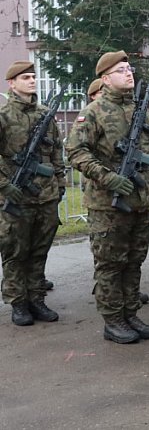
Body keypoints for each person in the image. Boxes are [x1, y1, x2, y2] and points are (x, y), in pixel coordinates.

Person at [66, 51, 149, 344]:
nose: (128, 73)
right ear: (105, 79)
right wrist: (108, 178)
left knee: (134, 262)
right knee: (110, 264)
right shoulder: (94, 111)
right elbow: (76, 152)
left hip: (140, 201)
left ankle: (131, 313)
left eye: (129, 69)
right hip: (108, 205)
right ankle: (113, 319)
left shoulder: (141, 110)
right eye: (121, 70)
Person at [0, 61, 65, 326]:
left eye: (33, 77)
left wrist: (60, 182)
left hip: (45, 195)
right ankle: (18, 303)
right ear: (11, 83)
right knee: (15, 252)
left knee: (40, 251)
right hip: (15, 195)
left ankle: (37, 298)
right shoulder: (4, 116)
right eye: (25, 77)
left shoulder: (45, 114)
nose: (31, 81)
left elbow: (56, 150)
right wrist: (4, 185)